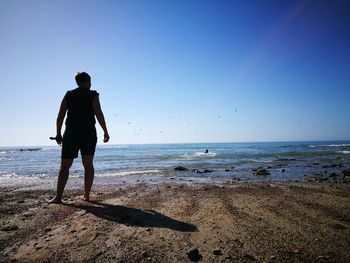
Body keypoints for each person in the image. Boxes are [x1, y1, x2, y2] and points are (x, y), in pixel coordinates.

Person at [48, 72, 110, 203]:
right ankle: (86, 196)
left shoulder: (69, 94)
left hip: (71, 133)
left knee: (65, 166)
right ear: (88, 81)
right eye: (90, 82)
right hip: (88, 133)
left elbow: (60, 115)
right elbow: (98, 113)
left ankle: (58, 197)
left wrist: (58, 133)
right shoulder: (93, 94)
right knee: (88, 164)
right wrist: (105, 131)